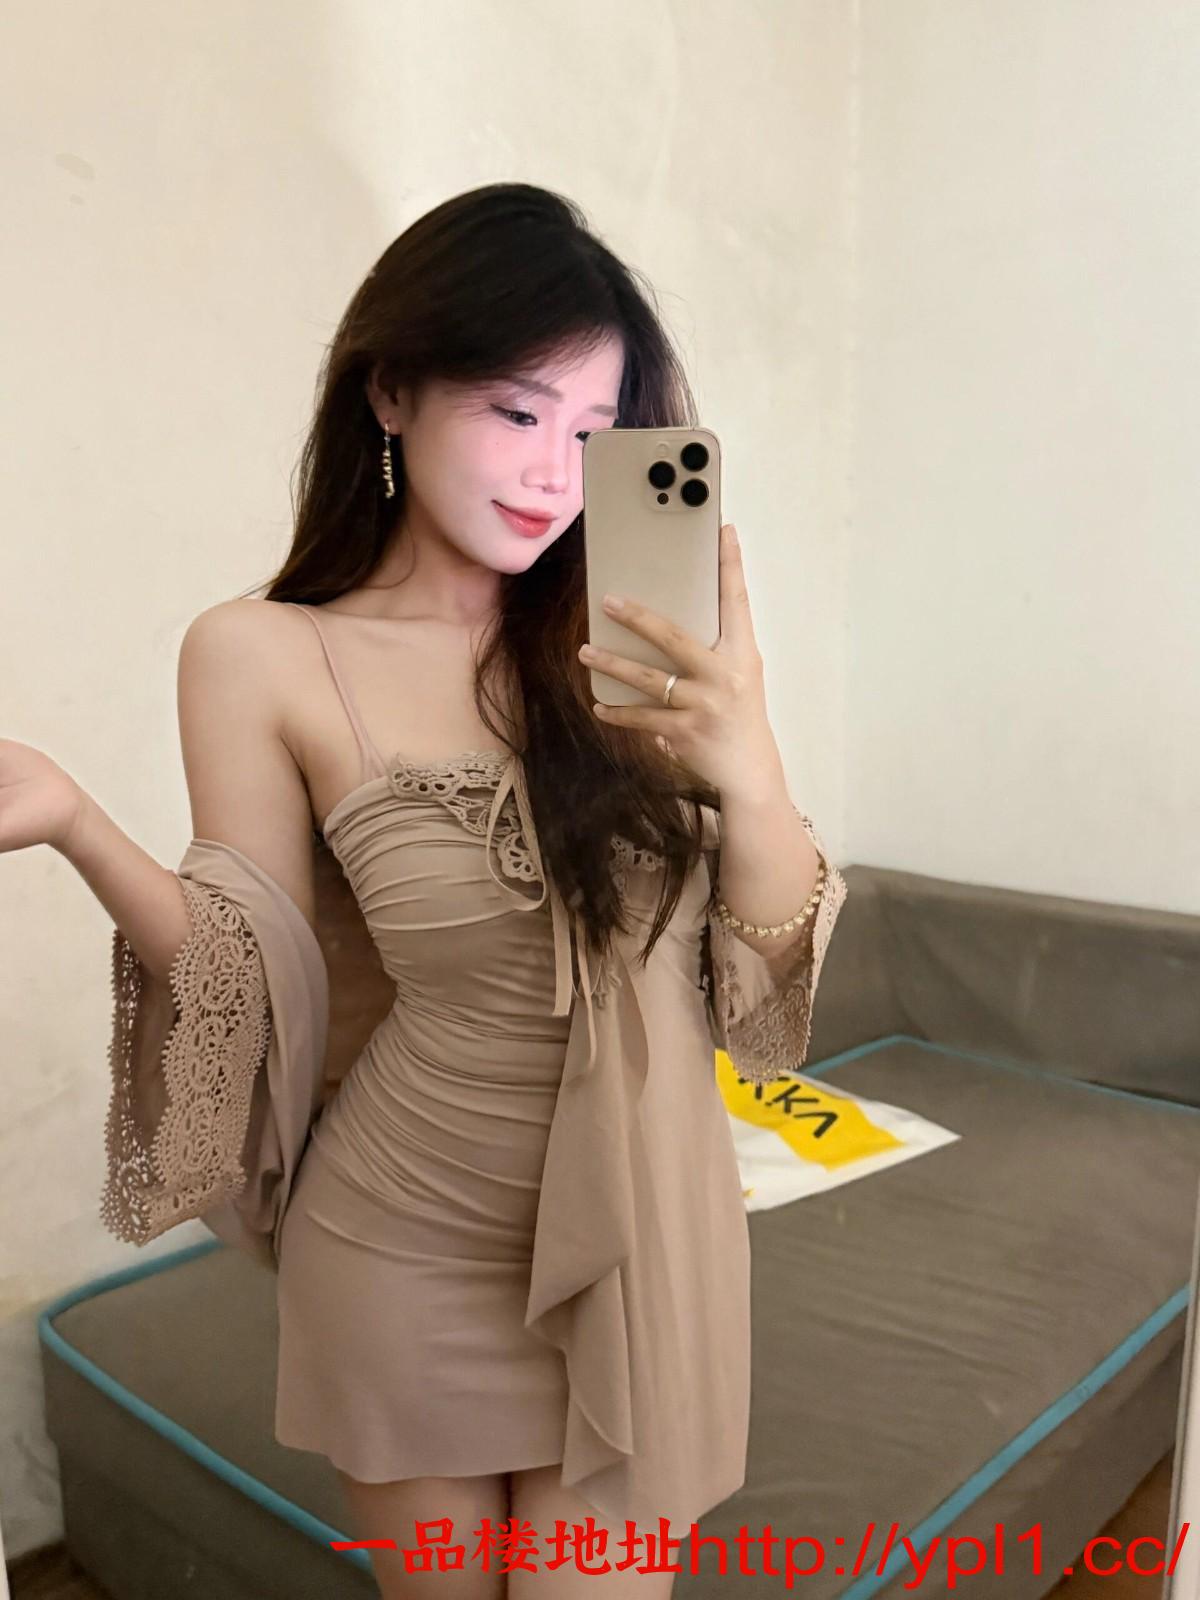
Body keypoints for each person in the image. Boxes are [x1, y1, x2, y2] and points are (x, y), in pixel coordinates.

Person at [1, 182, 847, 1600]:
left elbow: (762, 1019)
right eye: (517, 412)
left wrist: (748, 765)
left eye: (594, 434)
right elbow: (242, 971)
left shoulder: (638, 648)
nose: (554, 474)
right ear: (391, 392)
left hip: (646, 1238)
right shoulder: (261, 655)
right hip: (402, 1244)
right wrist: (79, 824)